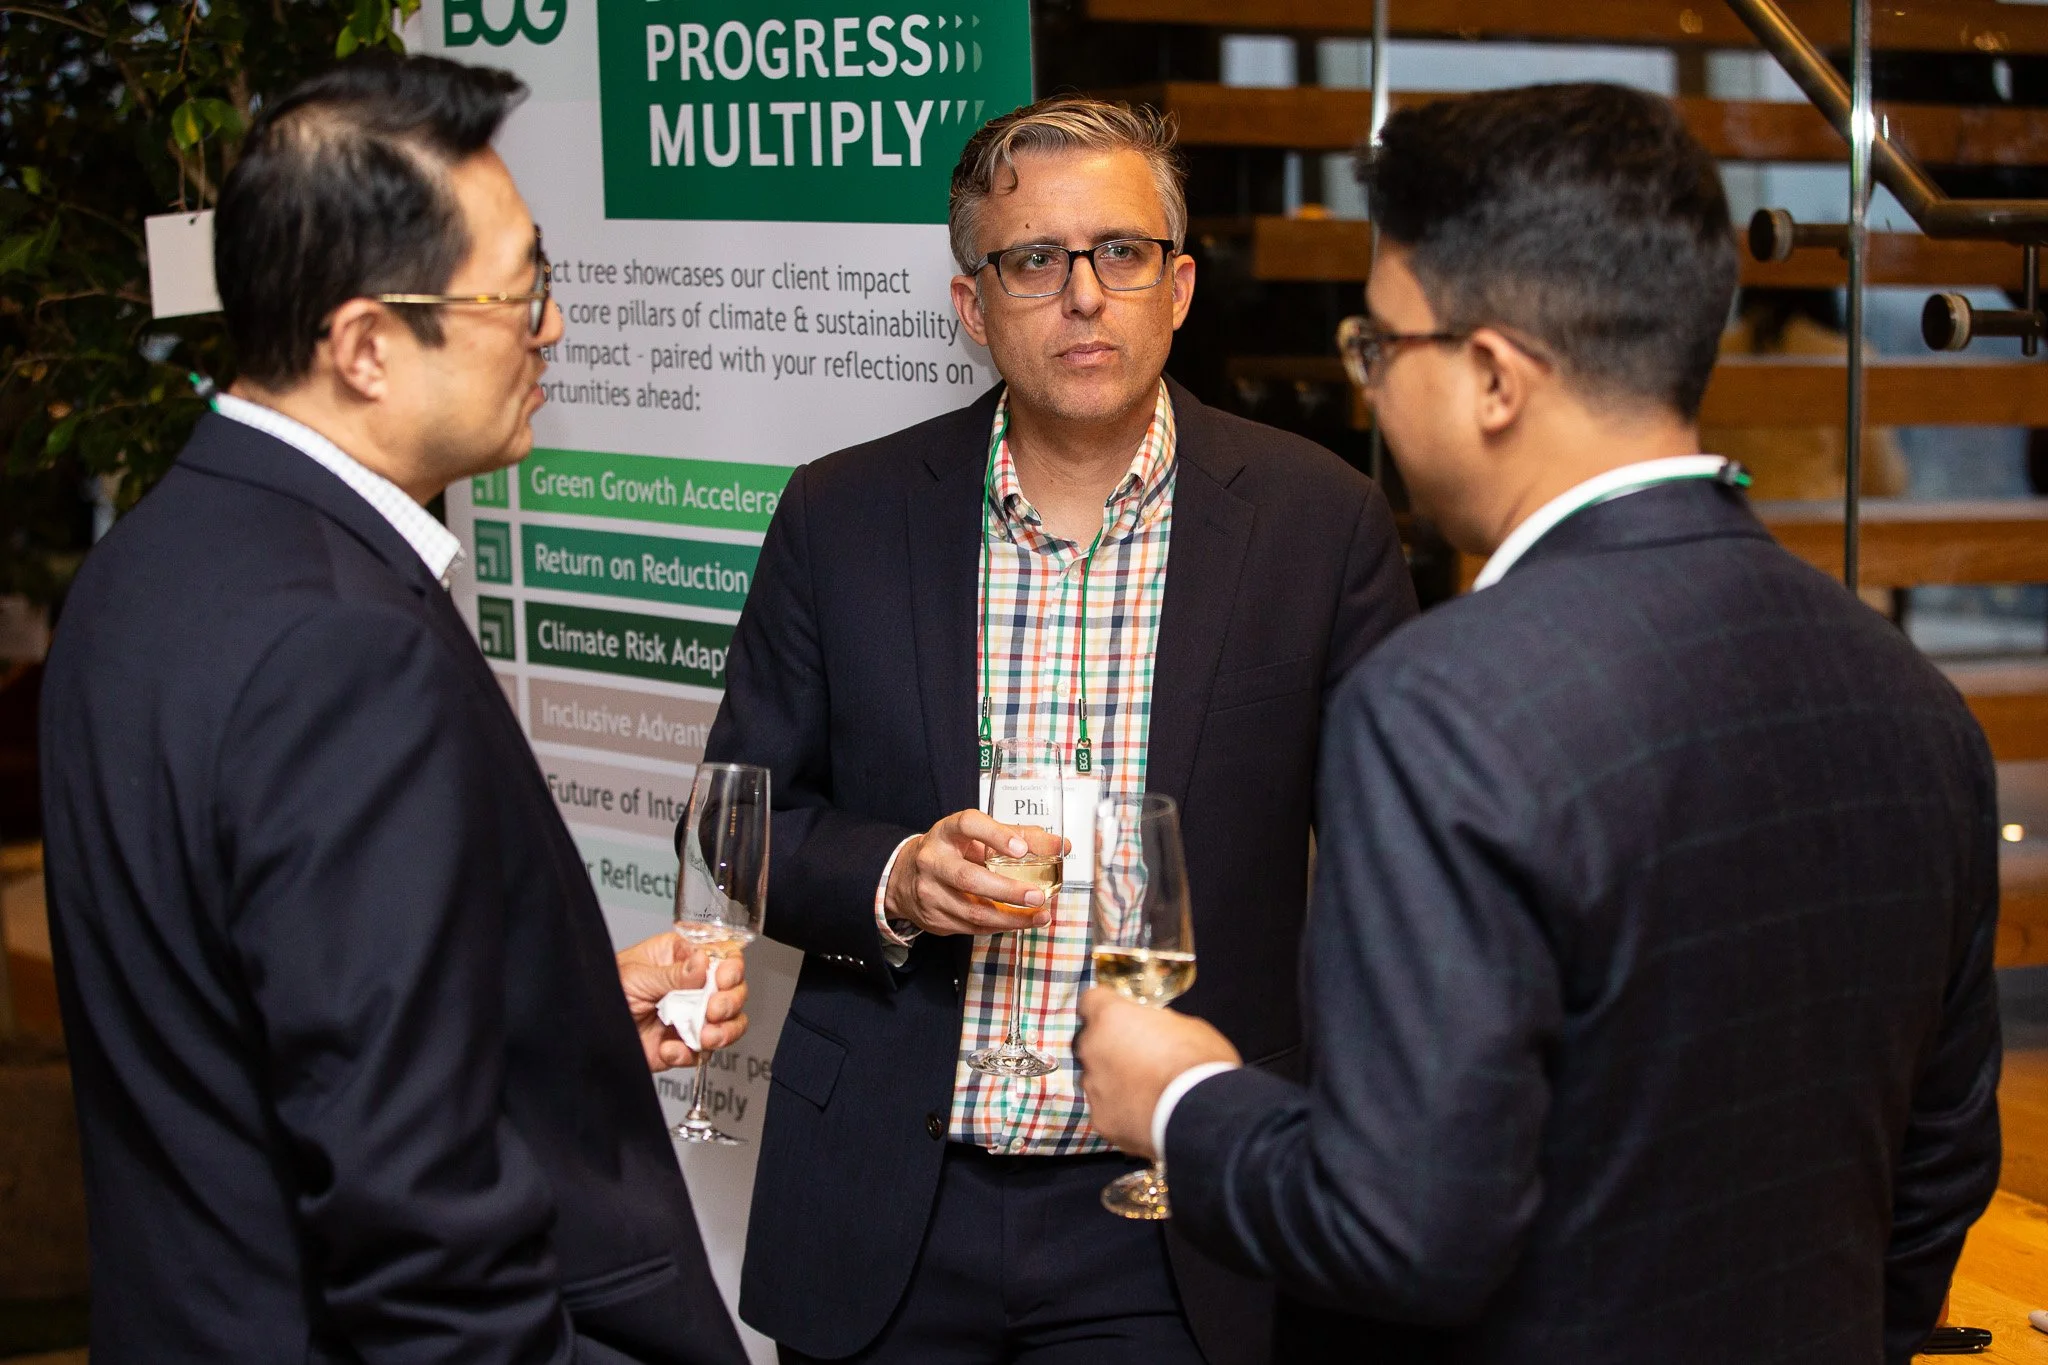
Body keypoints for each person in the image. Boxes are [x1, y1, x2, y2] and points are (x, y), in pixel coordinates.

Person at [1077, 82, 2002, 1365]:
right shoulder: (1911, 705)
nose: (1371, 395)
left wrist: (1177, 1099)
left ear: (1494, 378)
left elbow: (1400, 1228)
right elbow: (1937, 1174)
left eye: (1379, 348)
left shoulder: (1442, 704)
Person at [39, 55, 749, 1364]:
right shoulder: (343, 645)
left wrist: (559, 1013)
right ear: (366, 344)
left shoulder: (152, 564)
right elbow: (421, 1246)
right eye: (518, 290)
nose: (551, 329)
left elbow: (267, 1013)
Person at [703, 96, 1417, 1363]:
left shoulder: (1322, 522)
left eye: (1121, 253)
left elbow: (1395, 874)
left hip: (1167, 1219)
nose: (1083, 294)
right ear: (972, 306)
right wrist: (893, 878)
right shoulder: (842, 514)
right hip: (888, 1205)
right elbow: (737, 818)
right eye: (1035, 259)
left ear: (1180, 284)